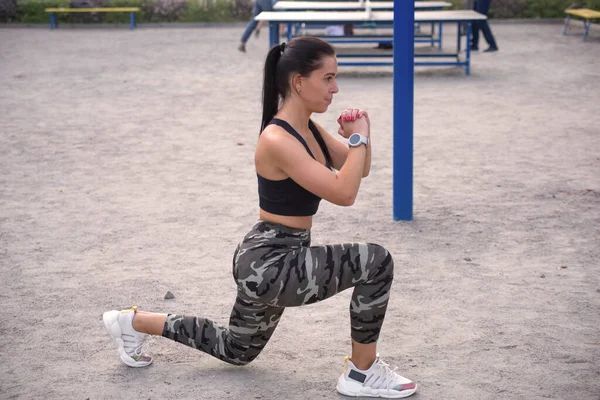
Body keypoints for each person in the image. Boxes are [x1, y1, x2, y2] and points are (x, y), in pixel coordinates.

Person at [102, 36, 417, 399]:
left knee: (236, 350)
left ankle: (131, 321)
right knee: (376, 262)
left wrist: (363, 137)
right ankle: (361, 373)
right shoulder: (277, 139)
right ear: (299, 82)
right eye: (328, 78)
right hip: (273, 263)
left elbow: (356, 170)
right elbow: (344, 194)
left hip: (271, 259)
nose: (336, 88)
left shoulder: (309, 128)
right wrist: (358, 136)